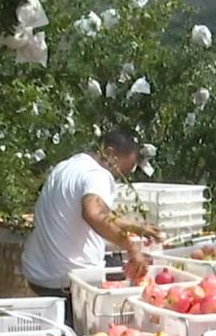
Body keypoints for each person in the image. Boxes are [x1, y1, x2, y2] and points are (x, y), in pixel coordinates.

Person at [21, 129, 161, 321]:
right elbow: (93, 214)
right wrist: (131, 248)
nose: (120, 176)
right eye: (122, 169)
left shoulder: (67, 166)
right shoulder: (98, 175)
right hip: (68, 282)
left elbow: (98, 211)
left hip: (40, 272)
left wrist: (135, 228)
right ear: (110, 153)